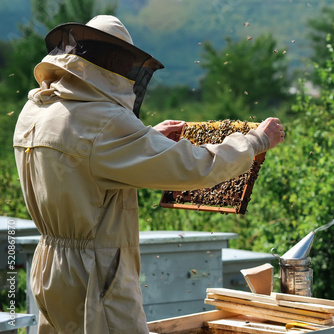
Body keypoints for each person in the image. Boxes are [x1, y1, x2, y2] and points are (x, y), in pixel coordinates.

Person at [13, 15, 284, 334]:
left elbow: (87, 160)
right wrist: (255, 140)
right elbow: (193, 165)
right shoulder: (103, 123)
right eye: (126, 65)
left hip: (50, 267)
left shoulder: (38, 110)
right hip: (94, 273)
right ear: (112, 61)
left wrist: (145, 138)